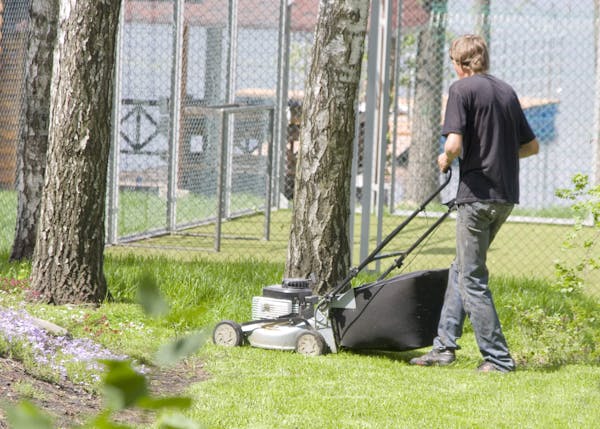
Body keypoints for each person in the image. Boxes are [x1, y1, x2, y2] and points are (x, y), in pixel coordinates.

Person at [409, 34, 539, 372]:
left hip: (477, 196)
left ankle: (498, 359)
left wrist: (444, 159)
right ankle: (443, 348)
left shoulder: (460, 90)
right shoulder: (507, 92)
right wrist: (496, 153)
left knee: (471, 278)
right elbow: (531, 146)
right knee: (461, 269)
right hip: (505, 197)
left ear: (458, 63)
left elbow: (453, 145)